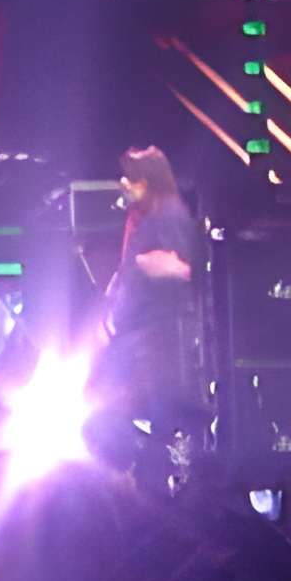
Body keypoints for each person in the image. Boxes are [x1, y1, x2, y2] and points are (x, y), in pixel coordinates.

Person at [102, 145, 207, 445]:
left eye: (130, 178)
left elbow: (183, 268)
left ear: (147, 181)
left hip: (159, 332)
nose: (124, 185)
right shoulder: (147, 218)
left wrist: (154, 265)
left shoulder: (169, 216)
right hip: (142, 330)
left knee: (162, 410)